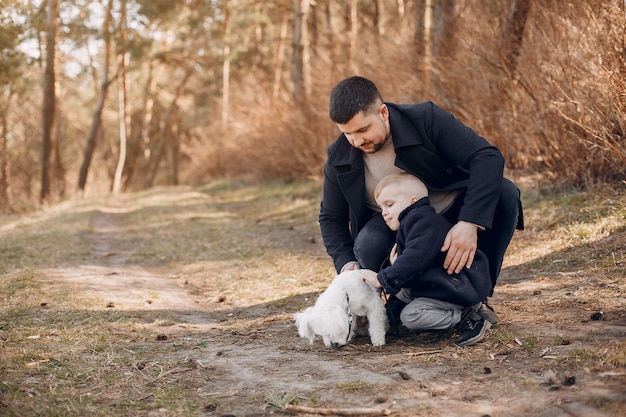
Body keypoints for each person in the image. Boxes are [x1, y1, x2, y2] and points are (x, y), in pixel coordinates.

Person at [319, 76, 524, 327]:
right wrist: (346, 263)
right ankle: (402, 296)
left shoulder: (424, 119)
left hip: (452, 213)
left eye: (363, 130)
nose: (357, 141)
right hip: (394, 227)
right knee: (368, 242)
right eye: (348, 133)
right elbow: (331, 217)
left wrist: (470, 222)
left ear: (383, 112)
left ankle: (476, 298)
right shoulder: (339, 156)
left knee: (504, 195)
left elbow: (487, 157)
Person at [361, 173, 492, 346]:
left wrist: (382, 279)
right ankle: (391, 315)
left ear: (413, 201)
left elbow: (415, 258)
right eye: (381, 208)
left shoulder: (422, 221)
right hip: (440, 283)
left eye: (390, 205)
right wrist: (397, 266)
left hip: (456, 288)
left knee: (411, 316)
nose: (384, 212)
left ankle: (467, 317)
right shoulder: (413, 222)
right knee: (403, 288)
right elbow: (418, 260)